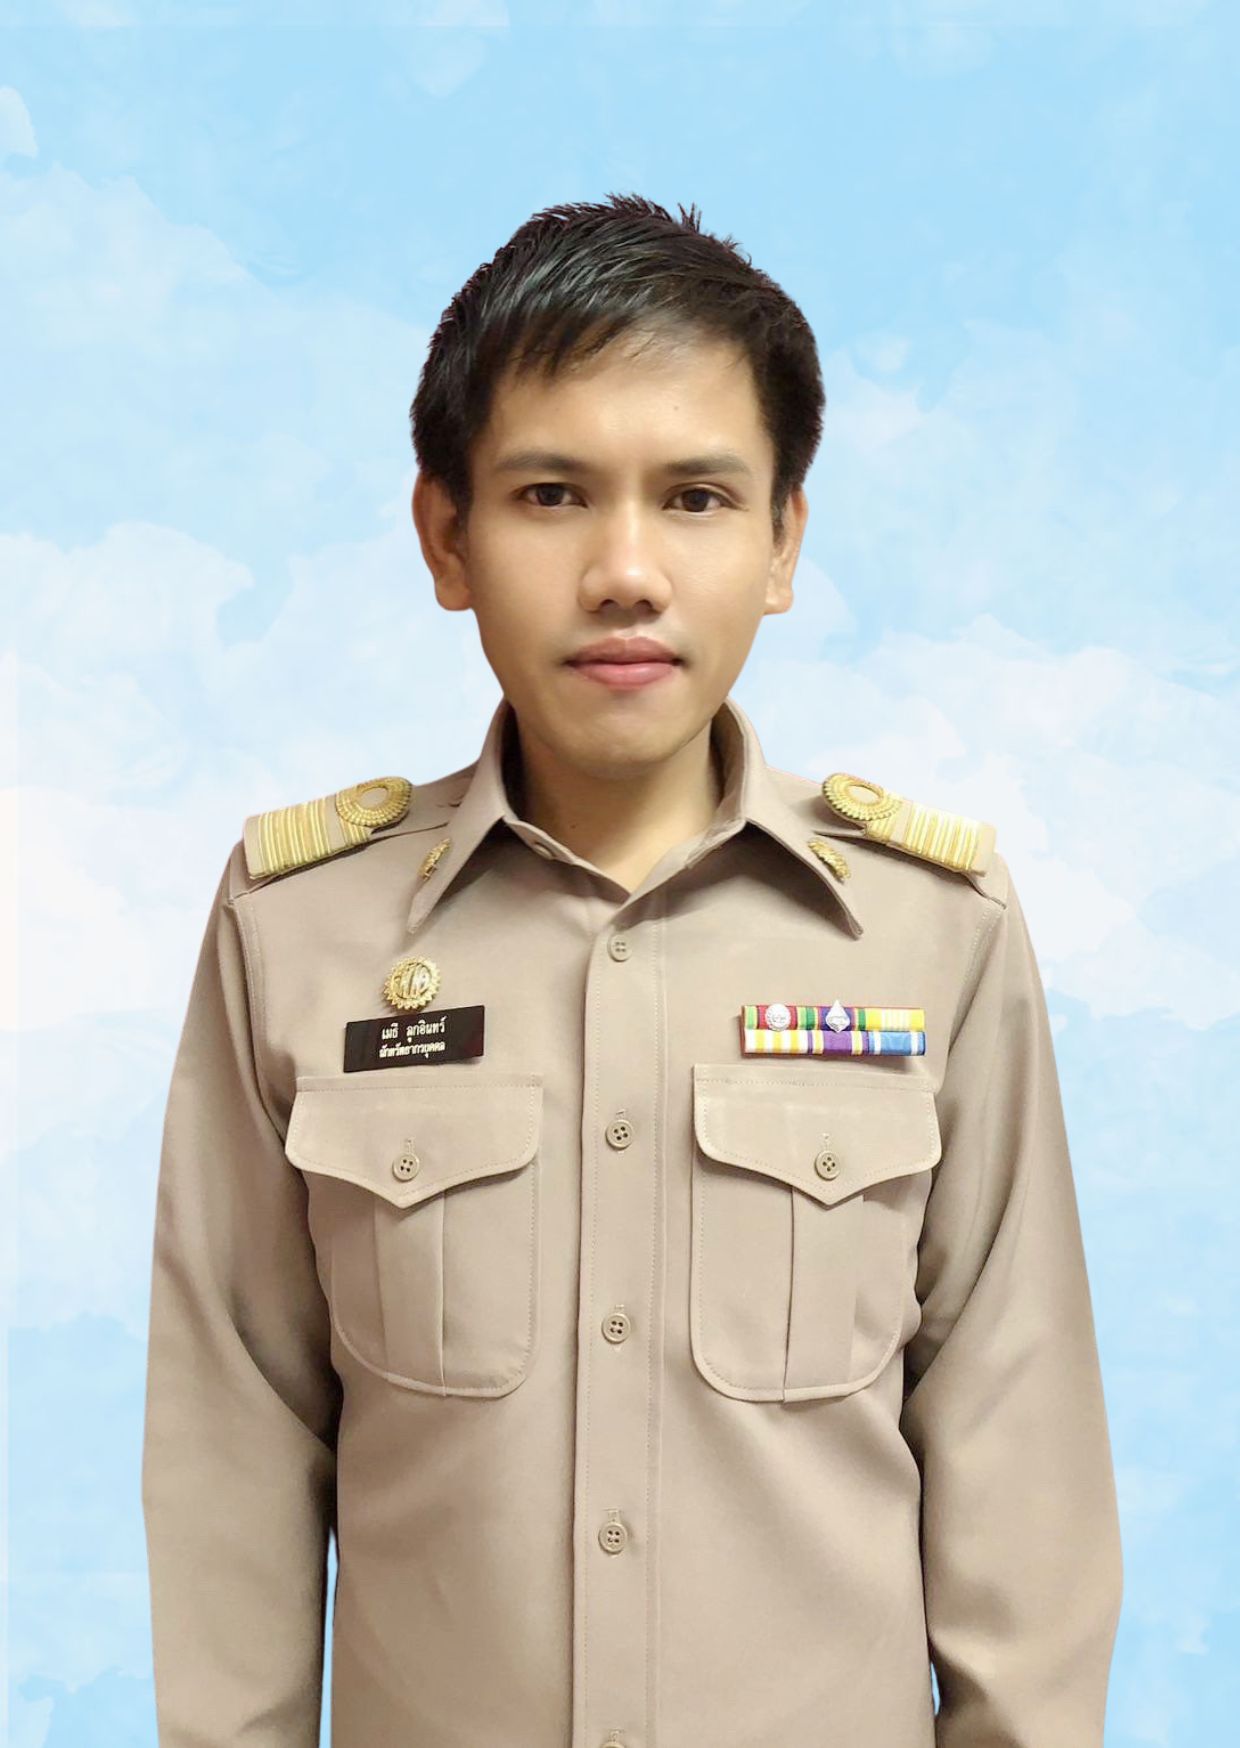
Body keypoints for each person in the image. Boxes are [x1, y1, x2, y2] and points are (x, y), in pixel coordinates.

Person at [141, 193, 1123, 1747]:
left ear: (783, 541)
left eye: (697, 498)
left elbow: (1021, 1450)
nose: (625, 571)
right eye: (550, 495)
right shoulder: (297, 929)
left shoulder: (938, 931)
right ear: (446, 537)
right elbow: (234, 1448)